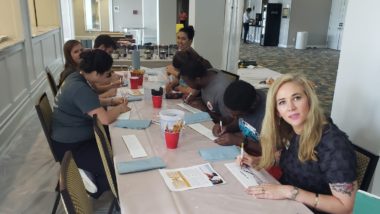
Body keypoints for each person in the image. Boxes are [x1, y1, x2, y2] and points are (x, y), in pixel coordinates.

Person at [238, 74, 357, 213]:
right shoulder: (293, 129)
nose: (291, 107)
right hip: (289, 203)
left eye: (297, 98)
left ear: (310, 101)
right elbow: (287, 158)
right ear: (277, 111)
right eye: (282, 102)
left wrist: (290, 192)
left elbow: (346, 207)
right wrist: (257, 161)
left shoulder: (334, 144)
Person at [51, 49, 130, 198]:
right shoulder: (79, 88)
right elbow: (105, 119)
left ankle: (88, 173)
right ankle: (83, 177)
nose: (110, 76)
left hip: (73, 137)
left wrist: (111, 101)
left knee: (117, 145)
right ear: (95, 73)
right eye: (107, 74)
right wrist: (120, 108)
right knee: (117, 169)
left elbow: (89, 102)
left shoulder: (77, 77)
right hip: (72, 147)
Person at [174, 49, 234, 122]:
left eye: (187, 82)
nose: (187, 85)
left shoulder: (222, 90)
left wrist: (205, 111)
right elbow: (211, 102)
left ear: (197, 79)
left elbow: (231, 121)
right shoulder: (206, 76)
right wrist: (196, 99)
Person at [213, 80, 265, 155]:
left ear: (253, 106)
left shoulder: (269, 116)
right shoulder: (245, 99)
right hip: (242, 150)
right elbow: (243, 122)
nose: (232, 117)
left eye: (238, 115)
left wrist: (239, 141)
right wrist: (227, 128)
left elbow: (273, 152)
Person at [166, 26, 198, 98]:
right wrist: (171, 85)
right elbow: (179, 79)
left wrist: (178, 88)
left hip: (190, 97)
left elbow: (194, 89)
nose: (179, 41)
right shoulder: (181, 54)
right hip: (182, 94)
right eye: (178, 38)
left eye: (183, 39)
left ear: (190, 41)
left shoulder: (194, 58)